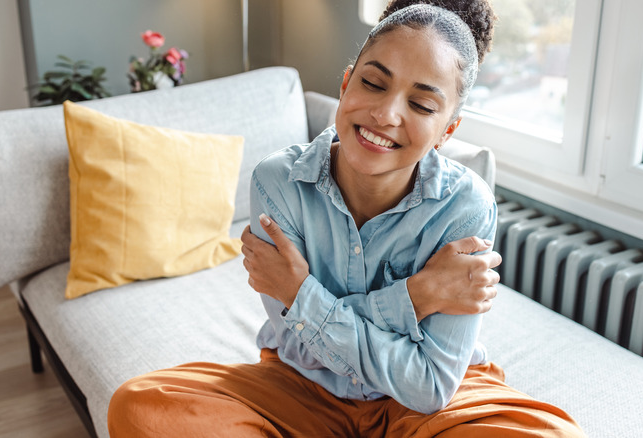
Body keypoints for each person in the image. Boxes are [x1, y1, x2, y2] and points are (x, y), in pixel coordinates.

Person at [108, 1, 586, 436]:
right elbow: (300, 350)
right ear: (345, 84)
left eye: (421, 105)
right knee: (141, 406)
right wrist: (416, 297)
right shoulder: (277, 182)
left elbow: (429, 386)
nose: (386, 114)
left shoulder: (465, 207)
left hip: (422, 408)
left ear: (447, 130)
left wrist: (300, 294)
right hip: (300, 386)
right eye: (373, 83)